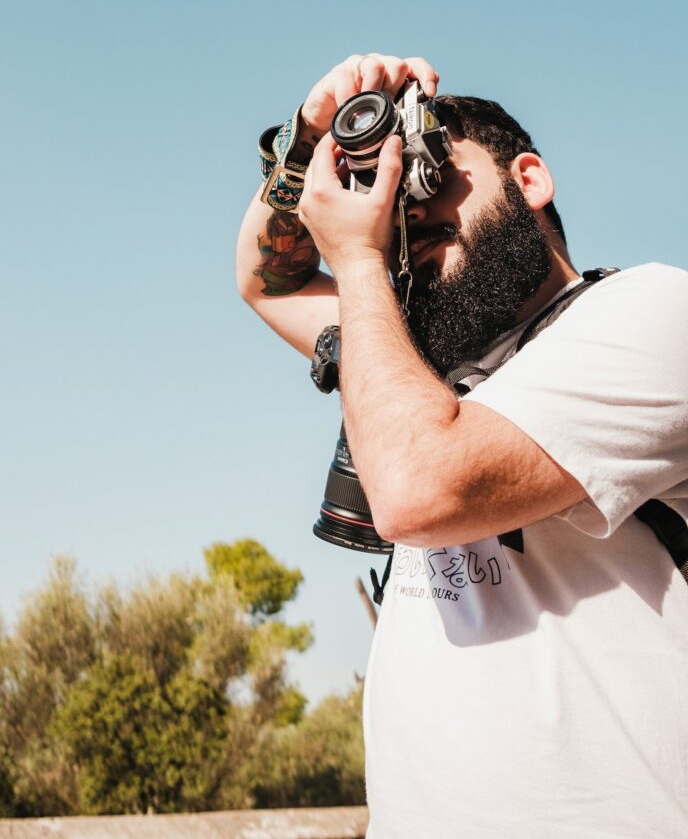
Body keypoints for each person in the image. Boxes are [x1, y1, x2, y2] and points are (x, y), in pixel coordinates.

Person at [236, 53, 688, 838]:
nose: (409, 200)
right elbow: (268, 279)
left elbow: (417, 490)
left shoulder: (652, 313)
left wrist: (360, 259)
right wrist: (309, 145)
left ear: (531, 180)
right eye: (394, 180)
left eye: (435, 167)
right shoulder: (410, 368)